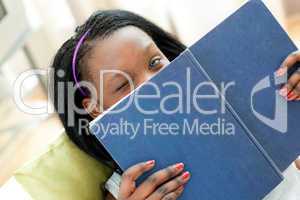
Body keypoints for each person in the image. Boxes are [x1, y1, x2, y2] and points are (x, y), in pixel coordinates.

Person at [51, 10, 300, 200]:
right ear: (95, 107)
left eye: (155, 62)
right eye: (123, 83)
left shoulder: (238, 106)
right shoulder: (128, 189)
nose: (154, 81)